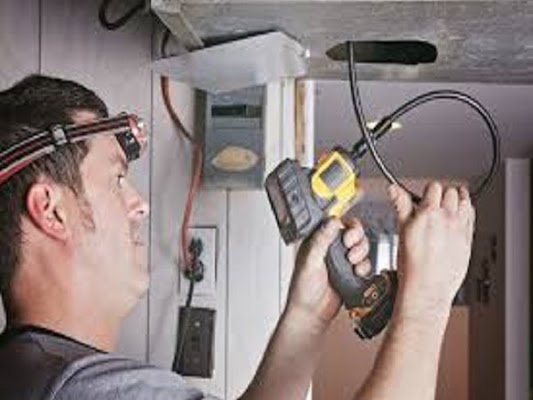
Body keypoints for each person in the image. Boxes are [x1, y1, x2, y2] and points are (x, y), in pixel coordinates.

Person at [0, 75, 475, 400]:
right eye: (117, 178)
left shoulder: (29, 371)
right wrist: (427, 302)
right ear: (51, 210)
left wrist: (308, 316)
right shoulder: (81, 390)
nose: (138, 203)